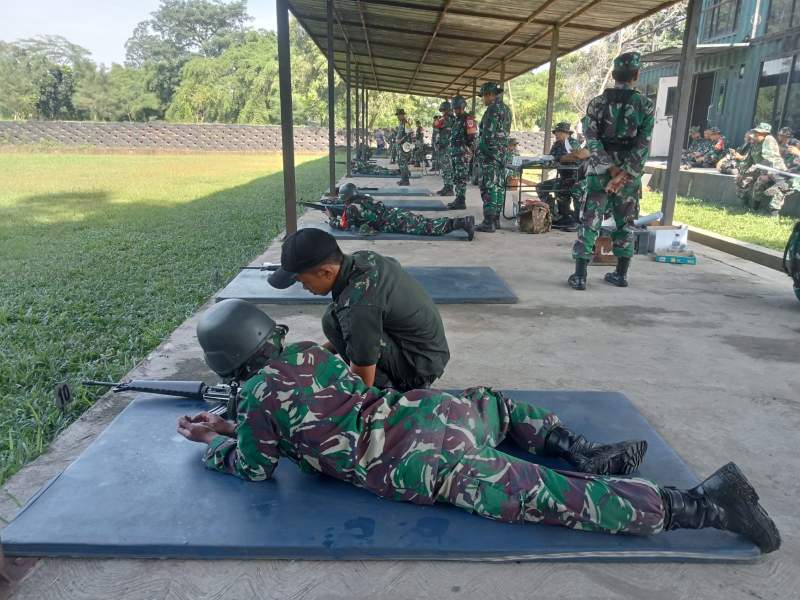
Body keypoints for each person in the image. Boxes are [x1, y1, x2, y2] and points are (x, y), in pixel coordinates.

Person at [177, 299, 781, 554]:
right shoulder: (309, 350)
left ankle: (704, 506)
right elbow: (325, 406)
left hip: (419, 464)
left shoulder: (255, 402)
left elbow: (257, 467)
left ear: (228, 362)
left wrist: (214, 443)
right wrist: (238, 425)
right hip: (429, 412)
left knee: (554, 498)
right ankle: (580, 447)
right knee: (496, 403)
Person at [268, 228, 450, 391]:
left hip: (419, 370)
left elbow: (362, 382)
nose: (305, 288)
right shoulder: (362, 259)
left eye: (304, 282)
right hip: (428, 353)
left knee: (334, 320)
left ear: (326, 272)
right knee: (336, 317)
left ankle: (388, 389)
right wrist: (318, 353)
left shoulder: (358, 305)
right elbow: (355, 329)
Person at [568, 51, 654, 290]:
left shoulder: (597, 103)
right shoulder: (645, 105)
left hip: (600, 172)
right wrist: (625, 173)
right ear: (636, 75)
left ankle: (580, 276)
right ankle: (621, 274)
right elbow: (643, 143)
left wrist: (610, 167)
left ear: (614, 75)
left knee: (590, 220)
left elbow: (591, 139)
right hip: (628, 176)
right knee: (625, 222)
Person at [325, 182, 475, 240]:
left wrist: (331, 218)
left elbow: (343, 226)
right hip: (395, 214)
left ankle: (461, 223)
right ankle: (461, 222)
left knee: (427, 228)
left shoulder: (351, 208)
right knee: (425, 222)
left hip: (393, 221)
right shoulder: (364, 199)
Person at [475, 81, 512, 233]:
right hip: (502, 154)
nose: (483, 99)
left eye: (483, 96)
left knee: (488, 186)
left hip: (490, 154)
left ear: (490, 94)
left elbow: (487, 136)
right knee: (498, 186)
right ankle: (495, 219)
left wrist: (481, 148)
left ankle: (488, 221)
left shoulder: (492, 109)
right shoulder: (506, 109)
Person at [536, 122, 585, 231]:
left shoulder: (573, 144)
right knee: (542, 187)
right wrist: (544, 161)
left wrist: (560, 159)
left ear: (567, 134)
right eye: (556, 132)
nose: (557, 135)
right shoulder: (556, 145)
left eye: (560, 132)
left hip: (576, 178)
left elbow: (575, 158)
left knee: (576, 189)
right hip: (563, 178)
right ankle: (555, 215)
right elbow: (551, 159)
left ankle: (578, 221)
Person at [736, 123, 789, 216]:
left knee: (762, 181)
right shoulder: (754, 144)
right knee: (742, 179)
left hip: (776, 171)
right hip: (762, 169)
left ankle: (770, 212)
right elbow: (748, 161)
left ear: (764, 134)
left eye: (757, 133)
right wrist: (741, 173)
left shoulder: (769, 140)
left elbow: (771, 159)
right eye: (755, 132)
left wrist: (767, 173)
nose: (754, 134)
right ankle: (745, 204)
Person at [447, 95, 477, 210]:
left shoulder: (468, 119)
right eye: (454, 109)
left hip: (462, 153)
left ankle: (461, 201)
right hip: (455, 153)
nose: (455, 111)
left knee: (461, 177)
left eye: (457, 108)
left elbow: (472, 137)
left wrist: (468, 151)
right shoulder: (457, 120)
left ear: (462, 107)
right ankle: (458, 198)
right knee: (457, 176)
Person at [435, 101, 455, 196]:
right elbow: (437, 127)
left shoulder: (452, 120)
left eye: (444, 111)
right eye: (442, 111)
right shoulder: (443, 119)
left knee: (447, 168)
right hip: (443, 147)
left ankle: (450, 188)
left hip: (448, 147)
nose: (442, 113)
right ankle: (446, 186)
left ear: (448, 110)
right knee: (444, 168)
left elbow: (450, 135)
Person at [395, 109, 414, 186]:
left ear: (403, 115)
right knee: (401, 163)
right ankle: (403, 179)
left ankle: (406, 180)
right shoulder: (401, 123)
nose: (398, 116)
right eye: (397, 115)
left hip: (404, 146)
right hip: (400, 146)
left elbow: (409, 134)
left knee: (403, 163)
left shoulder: (406, 123)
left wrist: (401, 140)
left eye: (399, 115)